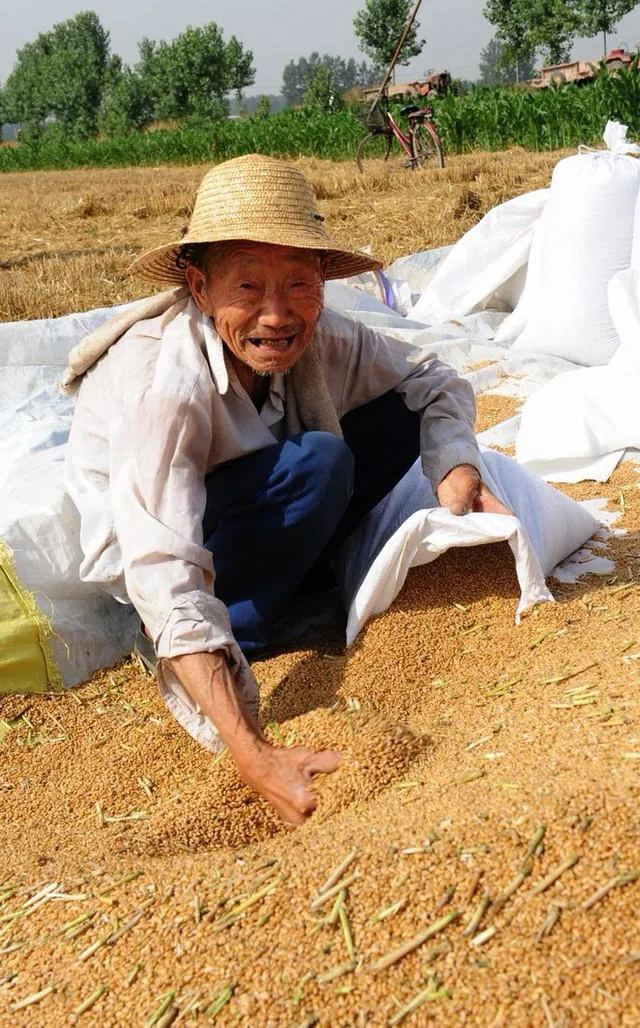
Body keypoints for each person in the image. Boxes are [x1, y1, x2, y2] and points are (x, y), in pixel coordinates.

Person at [65, 154, 508, 828]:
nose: (277, 314)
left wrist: (455, 470)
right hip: (158, 554)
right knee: (320, 462)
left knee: (394, 415)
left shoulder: (321, 334)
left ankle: (289, 580)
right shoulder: (166, 386)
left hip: (244, 504)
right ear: (199, 286)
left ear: (323, 284)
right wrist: (252, 751)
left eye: (299, 283)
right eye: (248, 285)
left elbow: (434, 378)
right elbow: (162, 571)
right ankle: (247, 629)